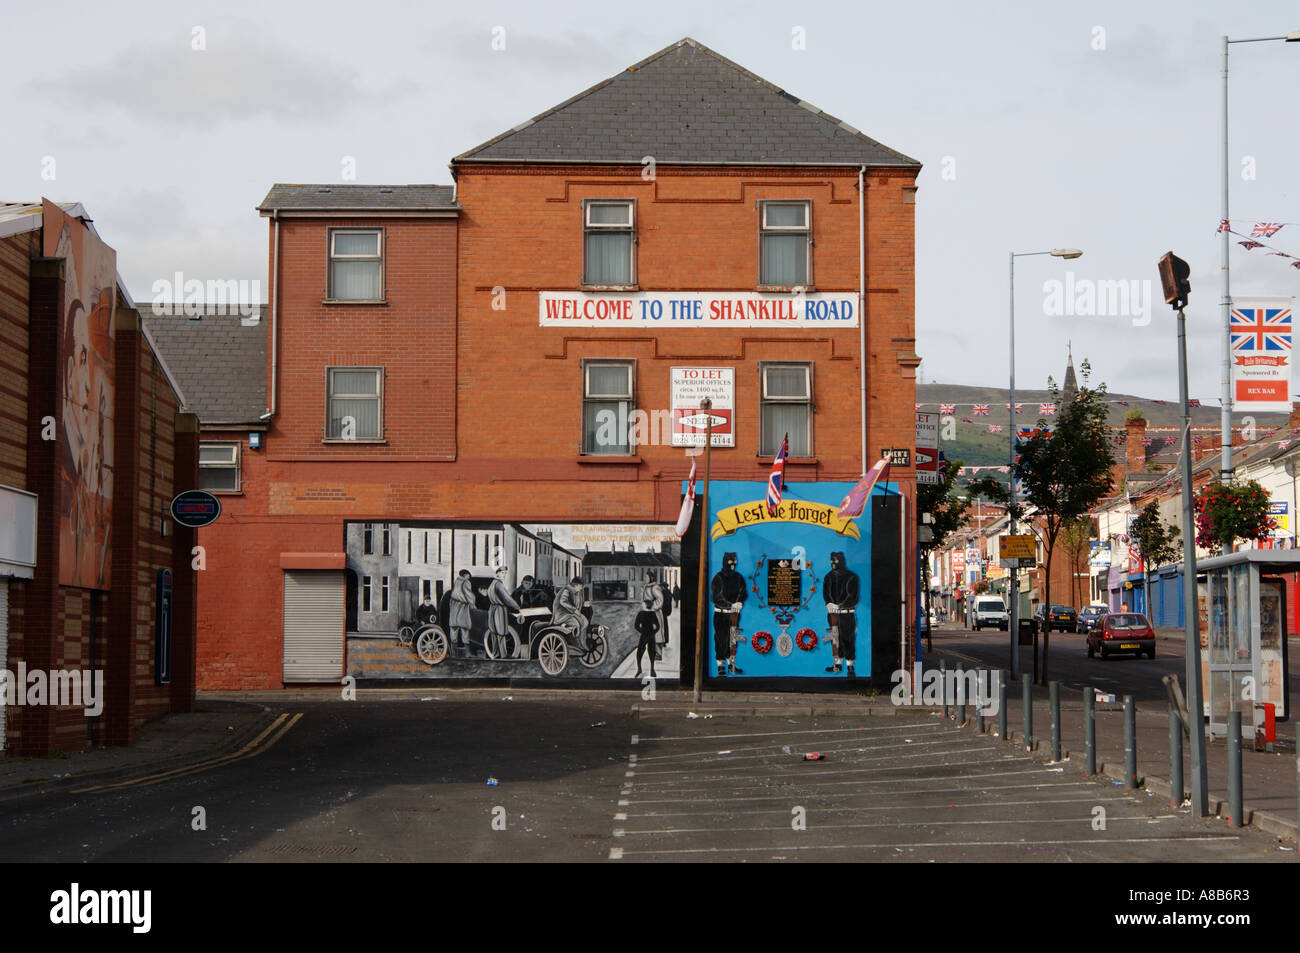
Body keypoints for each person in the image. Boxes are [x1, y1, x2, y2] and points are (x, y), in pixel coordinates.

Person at [822, 551, 861, 677]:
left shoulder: (851, 577)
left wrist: (840, 605)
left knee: (848, 638)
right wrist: (828, 603)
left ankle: (850, 666)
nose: (833, 563)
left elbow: (853, 597)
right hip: (833, 614)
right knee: (835, 638)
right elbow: (826, 593)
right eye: (831, 560)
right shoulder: (828, 577)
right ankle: (837, 664)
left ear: (841, 560)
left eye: (836, 560)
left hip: (846, 613)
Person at [711, 552, 747, 676]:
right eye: (730, 562)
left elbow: (743, 592)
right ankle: (721, 667)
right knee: (721, 640)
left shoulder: (738, 577)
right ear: (725, 562)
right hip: (721, 614)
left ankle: (731, 665)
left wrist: (740, 602)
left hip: (734, 615)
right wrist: (731, 605)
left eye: (735, 562)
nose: (733, 565)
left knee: (733, 640)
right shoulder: (718, 578)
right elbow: (716, 597)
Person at [486, 565, 522, 658]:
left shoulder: (492, 583)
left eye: (505, 573)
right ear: (497, 573)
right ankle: (503, 654)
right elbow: (507, 599)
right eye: (502, 573)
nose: (504, 575)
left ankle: (496, 654)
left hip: (492, 609)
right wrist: (517, 607)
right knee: (500, 631)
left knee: (494, 632)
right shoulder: (498, 584)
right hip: (499, 609)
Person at [552, 576, 588, 644]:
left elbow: (577, 604)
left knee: (585, 622)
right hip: (563, 615)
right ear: (576, 585)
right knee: (577, 625)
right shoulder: (567, 590)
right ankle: (575, 642)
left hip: (571, 614)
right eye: (581, 586)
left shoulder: (577, 592)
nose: (581, 588)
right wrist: (574, 610)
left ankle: (582, 642)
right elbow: (563, 601)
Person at [633, 596, 660, 678]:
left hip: (644, 635)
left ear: (646, 605)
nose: (642, 605)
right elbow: (658, 626)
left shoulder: (641, 613)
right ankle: (651, 670)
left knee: (640, 652)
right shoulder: (652, 613)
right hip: (651, 635)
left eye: (643, 604)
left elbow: (636, 626)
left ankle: (640, 669)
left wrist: (642, 631)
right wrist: (654, 632)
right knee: (651, 652)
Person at [642, 572, 665, 661]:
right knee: (650, 633)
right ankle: (653, 652)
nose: (645, 579)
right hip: (648, 613)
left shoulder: (654, 588)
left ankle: (658, 654)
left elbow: (660, 600)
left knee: (657, 633)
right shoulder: (646, 587)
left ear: (651, 578)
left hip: (655, 614)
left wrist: (652, 606)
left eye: (646, 577)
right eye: (645, 577)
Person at [449, 570, 473, 648]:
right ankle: (466, 651)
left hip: (454, 605)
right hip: (462, 606)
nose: (469, 577)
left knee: (454, 628)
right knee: (465, 628)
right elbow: (469, 595)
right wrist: (472, 604)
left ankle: (454, 650)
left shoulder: (456, 581)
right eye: (468, 575)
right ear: (465, 575)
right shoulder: (466, 582)